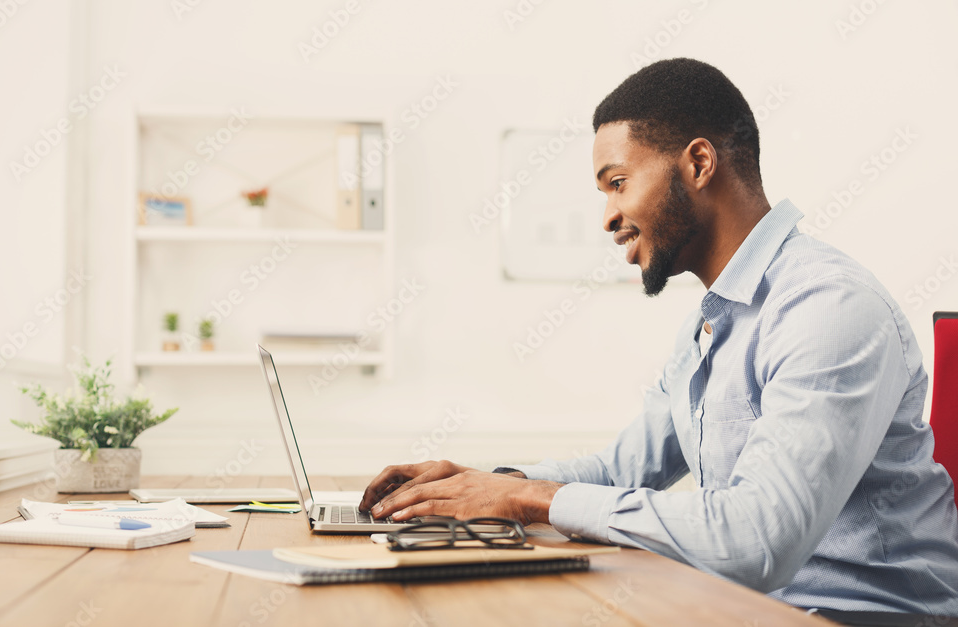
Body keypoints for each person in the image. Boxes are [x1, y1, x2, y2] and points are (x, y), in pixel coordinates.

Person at [359, 58, 958, 615]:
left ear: (698, 164)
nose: (607, 217)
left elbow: (759, 542)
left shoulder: (828, 307)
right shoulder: (714, 321)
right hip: (753, 610)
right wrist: (493, 484)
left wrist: (529, 500)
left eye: (617, 183)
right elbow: (625, 469)